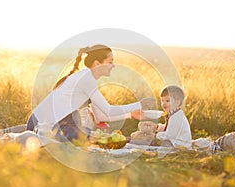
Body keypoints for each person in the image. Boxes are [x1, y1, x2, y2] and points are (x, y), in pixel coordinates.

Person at [26, 44, 156, 142]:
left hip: (46, 122)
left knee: (91, 135)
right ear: (97, 63)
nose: (113, 66)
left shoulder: (86, 78)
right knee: (89, 138)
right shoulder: (86, 78)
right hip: (41, 125)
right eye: (110, 62)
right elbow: (108, 110)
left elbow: (101, 116)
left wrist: (131, 115)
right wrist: (139, 105)